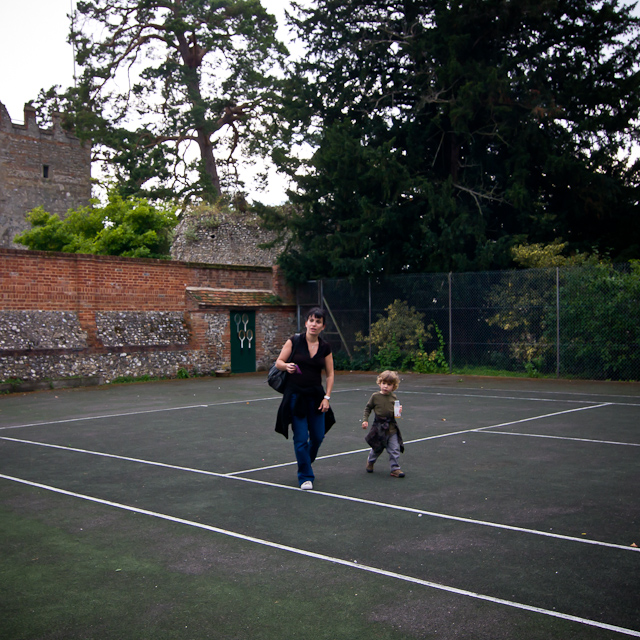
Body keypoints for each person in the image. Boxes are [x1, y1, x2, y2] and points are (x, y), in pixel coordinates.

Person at [274, 307, 335, 490]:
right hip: (296, 397)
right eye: (311, 320)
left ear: (323, 326)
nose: (314, 324)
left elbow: (330, 375)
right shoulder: (294, 341)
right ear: (306, 323)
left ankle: (306, 461)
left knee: (317, 436)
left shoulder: (325, 347)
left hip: (316, 397)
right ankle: (305, 476)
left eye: (318, 321)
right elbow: (278, 362)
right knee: (300, 439)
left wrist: (327, 397)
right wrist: (286, 366)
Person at [361, 370, 405, 477]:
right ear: (379, 383)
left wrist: (398, 411)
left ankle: (395, 469)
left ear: (393, 386)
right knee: (377, 448)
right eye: (383, 383)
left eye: (389, 384)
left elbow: (395, 415)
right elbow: (368, 408)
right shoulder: (375, 396)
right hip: (379, 427)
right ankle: (370, 462)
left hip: (391, 428)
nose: (385, 386)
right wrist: (365, 420)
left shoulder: (394, 398)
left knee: (395, 449)